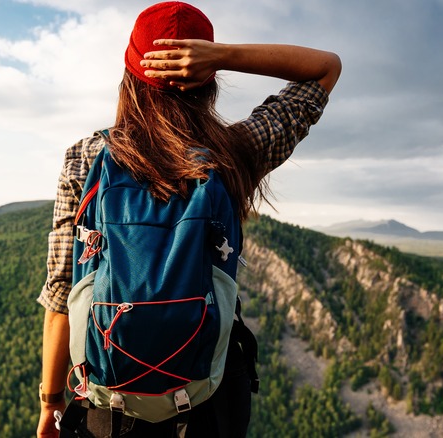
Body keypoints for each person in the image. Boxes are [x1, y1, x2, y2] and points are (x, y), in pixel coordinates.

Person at [36, 2, 341, 437]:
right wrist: (223, 56)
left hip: (109, 409)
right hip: (209, 401)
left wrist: (51, 403)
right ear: (207, 80)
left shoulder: (86, 158)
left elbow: (62, 292)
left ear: (130, 77)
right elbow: (326, 69)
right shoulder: (236, 153)